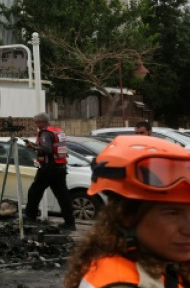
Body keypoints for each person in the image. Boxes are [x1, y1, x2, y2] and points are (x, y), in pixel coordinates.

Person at [64, 135, 190, 288]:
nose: (187, 229)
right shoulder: (121, 281)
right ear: (126, 216)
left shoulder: (157, 263)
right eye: (173, 213)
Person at [23, 112, 76, 230]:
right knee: (63, 196)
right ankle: (70, 223)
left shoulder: (45, 133)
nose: (36, 124)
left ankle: (30, 216)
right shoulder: (57, 131)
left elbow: (47, 149)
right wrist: (36, 145)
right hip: (60, 167)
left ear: (42, 122)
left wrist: (33, 147)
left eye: (36, 122)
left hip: (49, 168)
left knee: (34, 191)